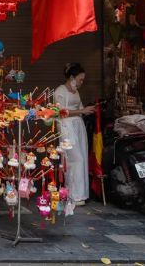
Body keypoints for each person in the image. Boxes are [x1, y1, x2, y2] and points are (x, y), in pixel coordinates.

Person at [53, 63, 94, 206]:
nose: (81, 83)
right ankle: (72, 194)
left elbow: (80, 107)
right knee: (75, 159)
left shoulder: (76, 92)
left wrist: (87, 110)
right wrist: (81, 112)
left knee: (82, 158)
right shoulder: (60, 91)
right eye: (80, 79)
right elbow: (59, 112)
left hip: (78, 126)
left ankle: (80, 194)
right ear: (71, 77)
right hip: (66, 127)